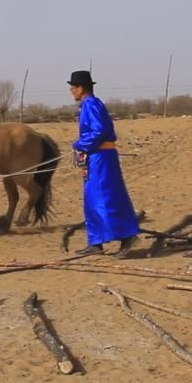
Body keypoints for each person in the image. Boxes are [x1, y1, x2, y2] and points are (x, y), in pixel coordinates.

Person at [68, 70, 140, 257]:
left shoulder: (91, 104)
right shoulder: (87, 105)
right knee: (92, 199)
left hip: (101, 157)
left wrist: (79, 144)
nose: (71, 91)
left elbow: (98, 131)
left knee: (108, 197)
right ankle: (96, 242)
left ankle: (128, 236)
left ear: (80, 88)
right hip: (95, 157)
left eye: (73, 87)